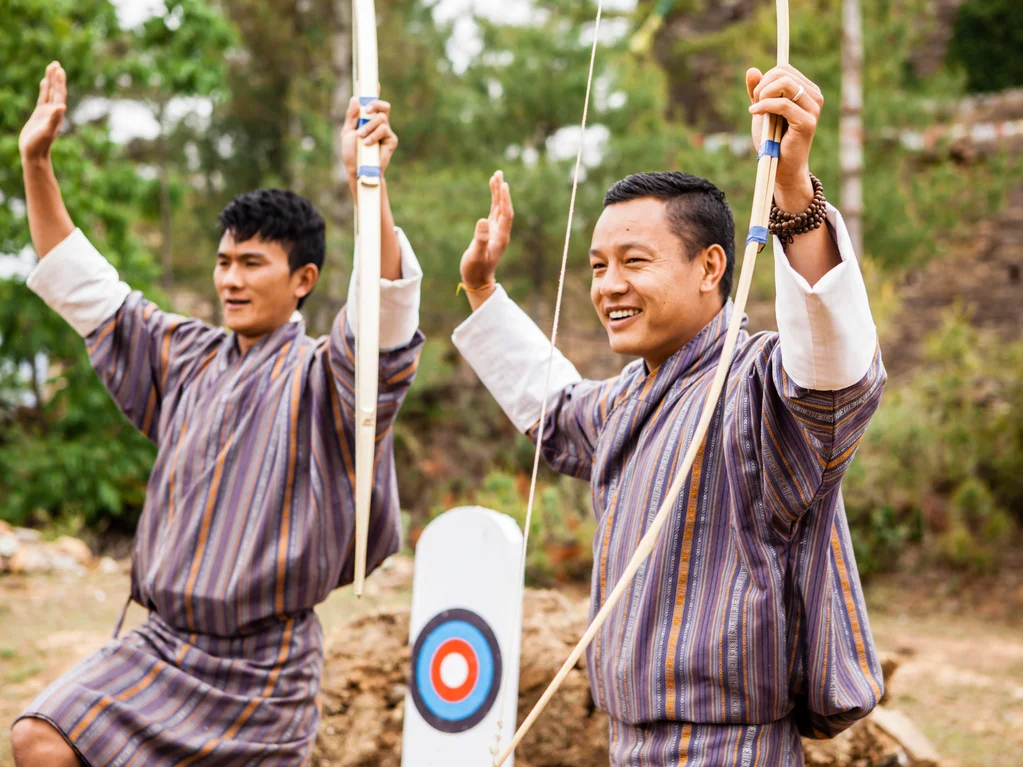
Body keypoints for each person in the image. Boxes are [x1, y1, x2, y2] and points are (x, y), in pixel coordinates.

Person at [452, 64, 886, 765]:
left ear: (711, 267)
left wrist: (791, 191)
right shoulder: (629, 394)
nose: (609, 286)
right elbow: (553, 410)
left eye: (633, 260)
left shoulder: (754, 389)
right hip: (630, 746)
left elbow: (832, 381)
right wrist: (480, 288)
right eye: (597, 266)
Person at [10, 62, 424, 766]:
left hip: (265, 665)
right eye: (223, 261)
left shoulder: (329, 377)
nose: (230, 278)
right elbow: (81, 285)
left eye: (252, 263)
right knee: (40, 735)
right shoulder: (184, 353)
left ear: (303, 281)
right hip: (162, 643)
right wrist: (36, 160)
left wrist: (368, 183)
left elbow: (382, 308)